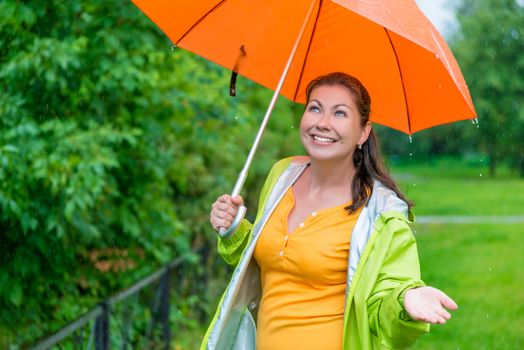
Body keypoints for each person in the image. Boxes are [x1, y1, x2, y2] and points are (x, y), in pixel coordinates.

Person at [201, 72, 457, 350]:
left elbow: (379, 312)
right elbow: (266, 260)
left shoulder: (381, 215)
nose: (322, 123)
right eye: (315, 108)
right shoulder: (282, 175)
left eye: (340, 114)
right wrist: (234, 229)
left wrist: (405, 301)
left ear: (363, 131)